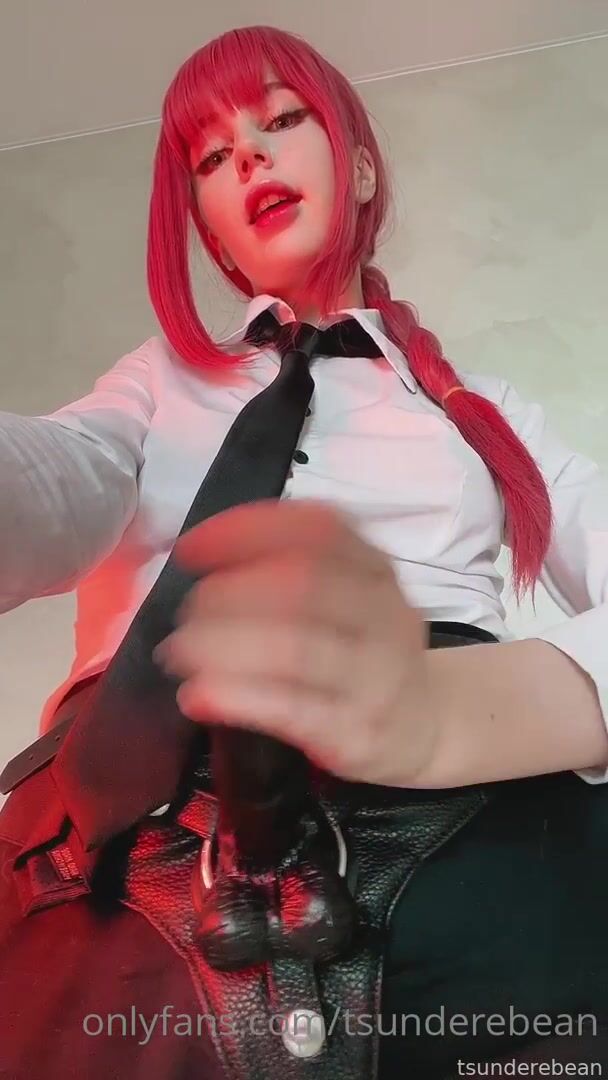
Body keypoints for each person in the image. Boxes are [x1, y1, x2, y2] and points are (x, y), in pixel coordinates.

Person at [1, 23, 608, 1080]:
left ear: (359, 167)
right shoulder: (148, 384)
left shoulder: (491, 413)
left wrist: (450, 713)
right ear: (212, 233)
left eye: (280, 119)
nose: (248, 155)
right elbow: (60, 477)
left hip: (485, 851)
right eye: (211, 155)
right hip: (113, 880)